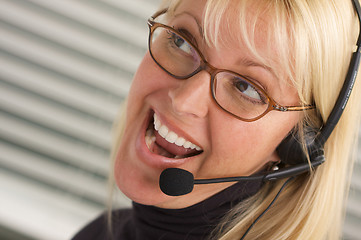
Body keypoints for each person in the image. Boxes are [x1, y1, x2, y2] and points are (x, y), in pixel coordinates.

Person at [72, 0, 361, 239]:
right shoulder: (103, 232)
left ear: (298, 142)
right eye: (182, 41)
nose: (184, 101)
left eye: (246, 87)